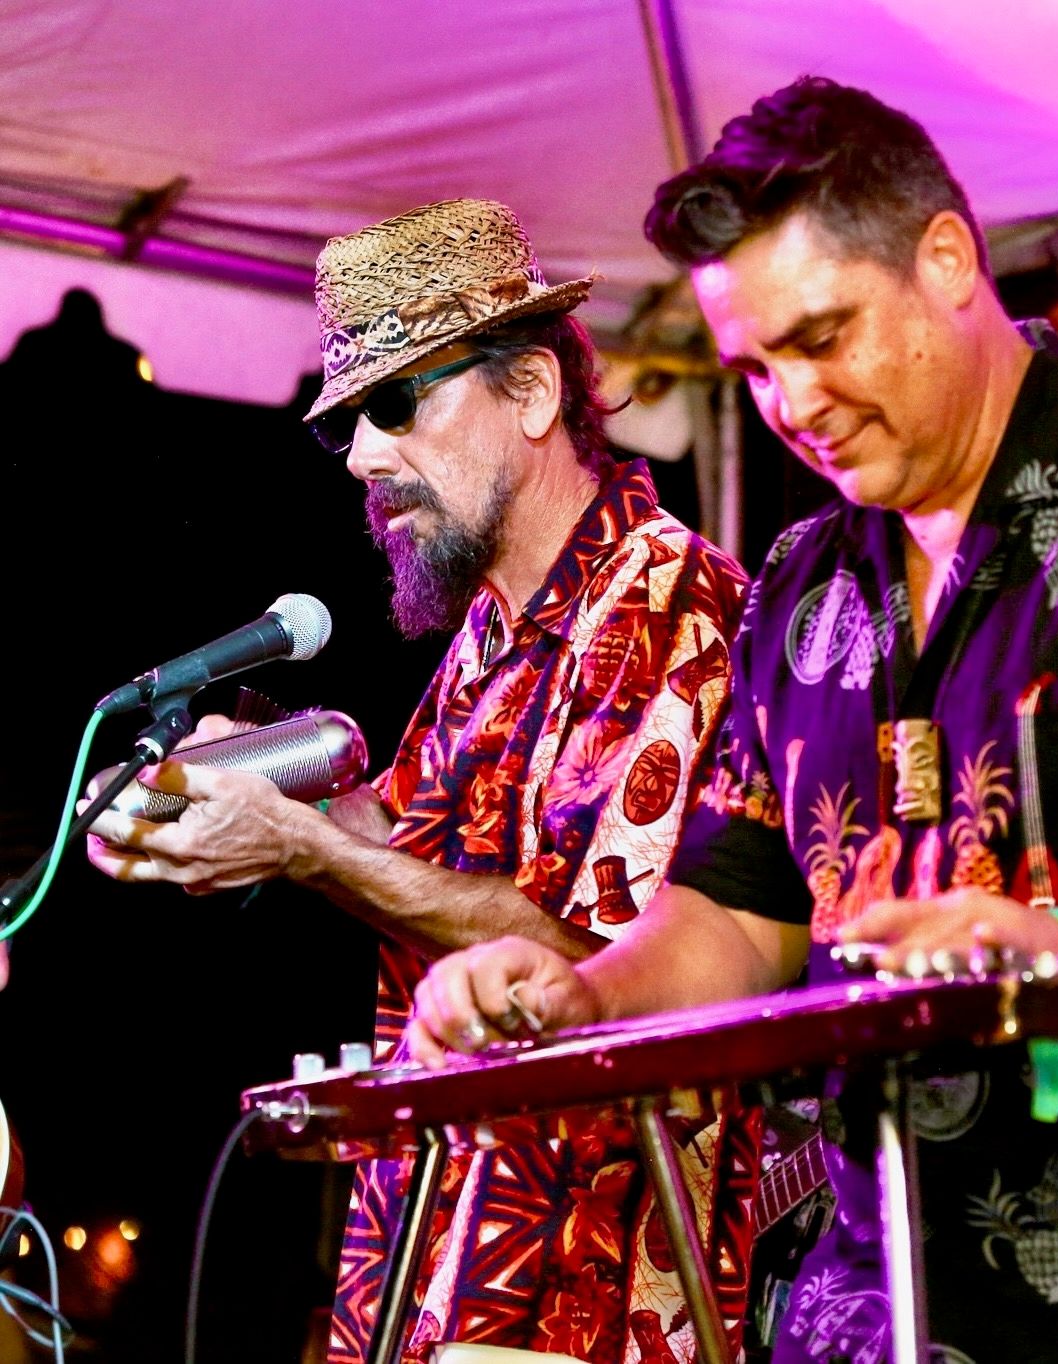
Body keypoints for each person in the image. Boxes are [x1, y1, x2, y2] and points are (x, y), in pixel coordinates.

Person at [399, 79, 1058, 1363]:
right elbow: (737, 913)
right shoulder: (800, 579)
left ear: (945, 258)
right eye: (755, 367)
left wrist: (1056, 941)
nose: (792, 402)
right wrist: (578, 995)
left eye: (822, 336)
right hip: (877, 1307)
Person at [81, 198, 758, 1364]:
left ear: (532, 392)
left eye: (396, 404)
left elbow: (596, 964)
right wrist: (235, 793)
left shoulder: (669, 604)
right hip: (441, 1250)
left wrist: (301, 845)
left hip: (595, 1280)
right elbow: (403, 838)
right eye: (348, 420)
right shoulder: (486, 636)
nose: (361, 453)